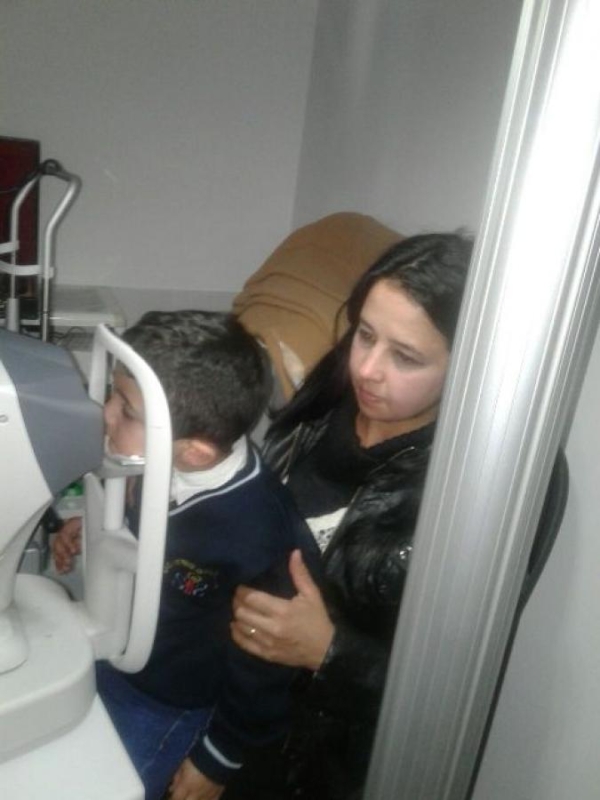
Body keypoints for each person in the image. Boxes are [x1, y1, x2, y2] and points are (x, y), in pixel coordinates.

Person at [226, 232, 474, 800]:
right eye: (365, 334)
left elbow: (458, 687)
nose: (366, 369)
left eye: (406, 357)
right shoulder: (326, 398)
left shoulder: (474, 492)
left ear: (467, 366)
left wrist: (330, 653)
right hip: (238, 701)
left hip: (324, 762)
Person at [51, 310, 320, 800]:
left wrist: (218, 758)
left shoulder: (257, 532)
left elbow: (264, 663)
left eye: (127, 410)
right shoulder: (157, 458)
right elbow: (150, 529)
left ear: (195, 452)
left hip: (170, 702)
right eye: (113, 394)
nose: (106, 413)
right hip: (116, 657)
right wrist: (95, 527)